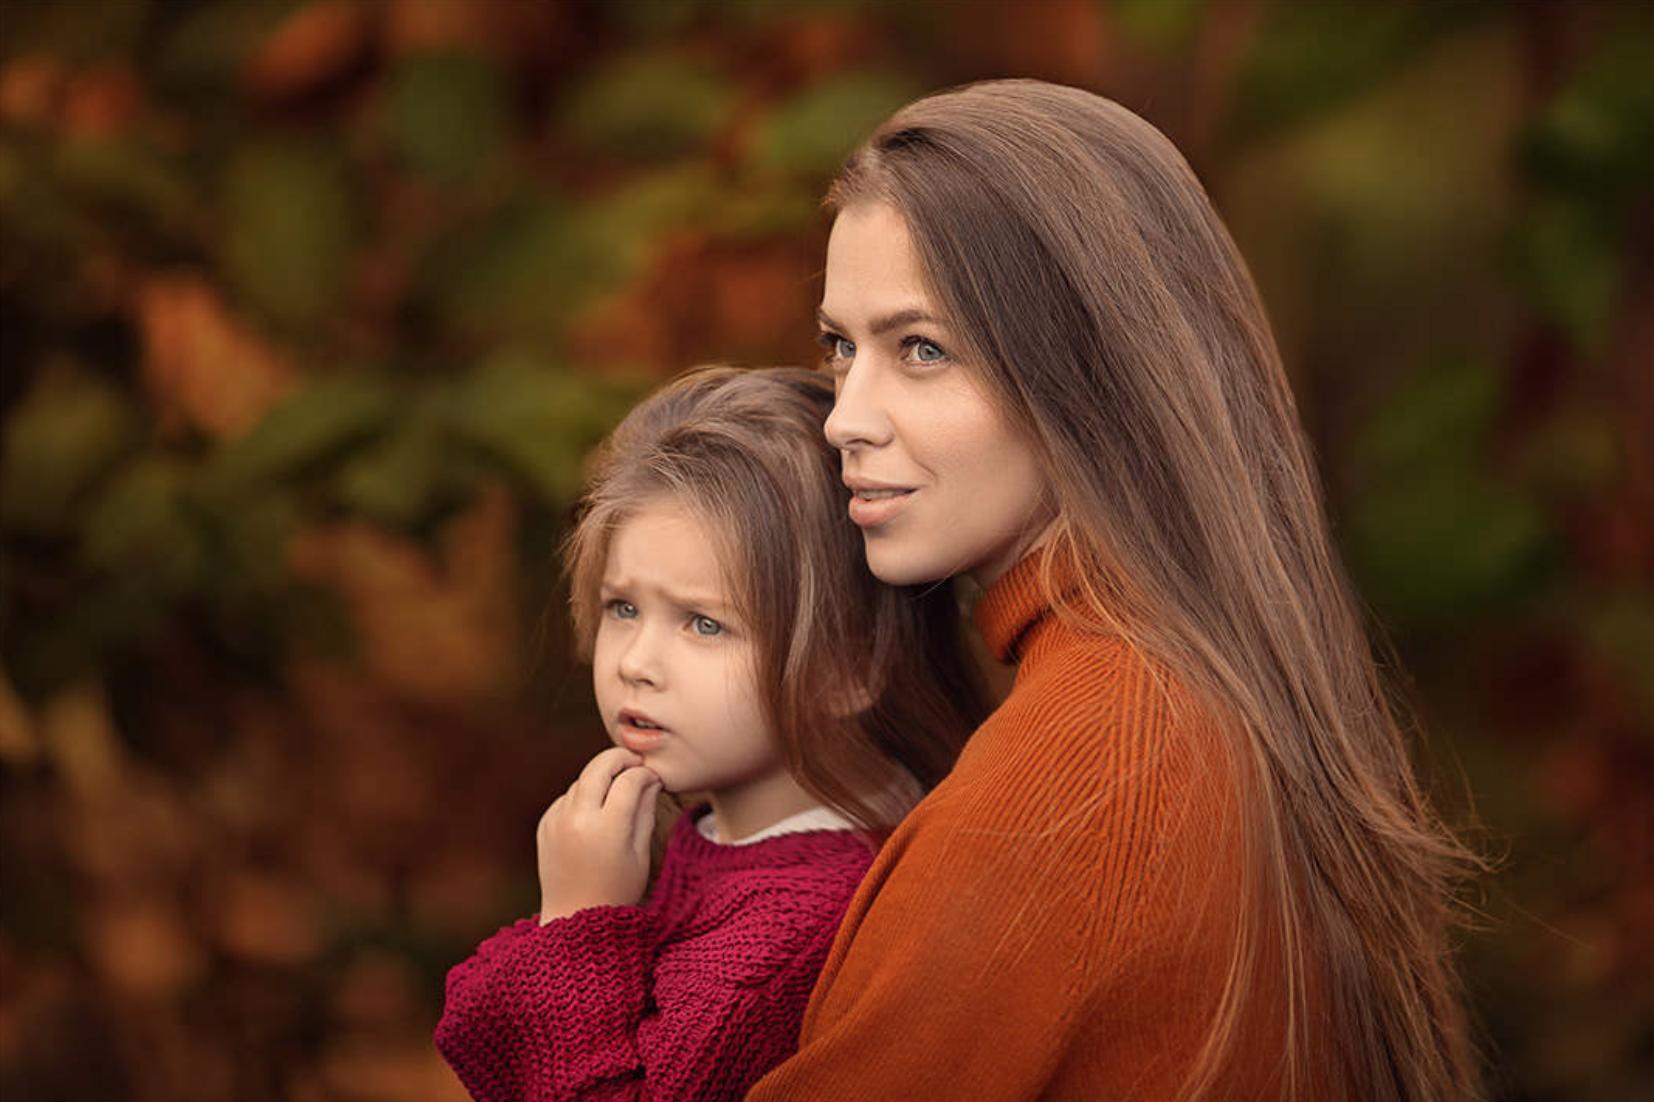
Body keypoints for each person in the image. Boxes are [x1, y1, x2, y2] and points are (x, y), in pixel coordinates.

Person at [745, 79, 1481, 1102]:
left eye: (920, 349)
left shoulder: (1084, 773)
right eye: (839, 347)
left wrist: (574, 968)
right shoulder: (1199, 687)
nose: (843, 418)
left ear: (1084, 373)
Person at [434, 366, 987, 1101]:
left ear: (846, 670)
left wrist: (579, 920)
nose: (636, 664)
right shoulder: (726, 838)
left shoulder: (797, 932)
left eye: (704, 623)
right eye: (622, 608)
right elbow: (479, 1018)